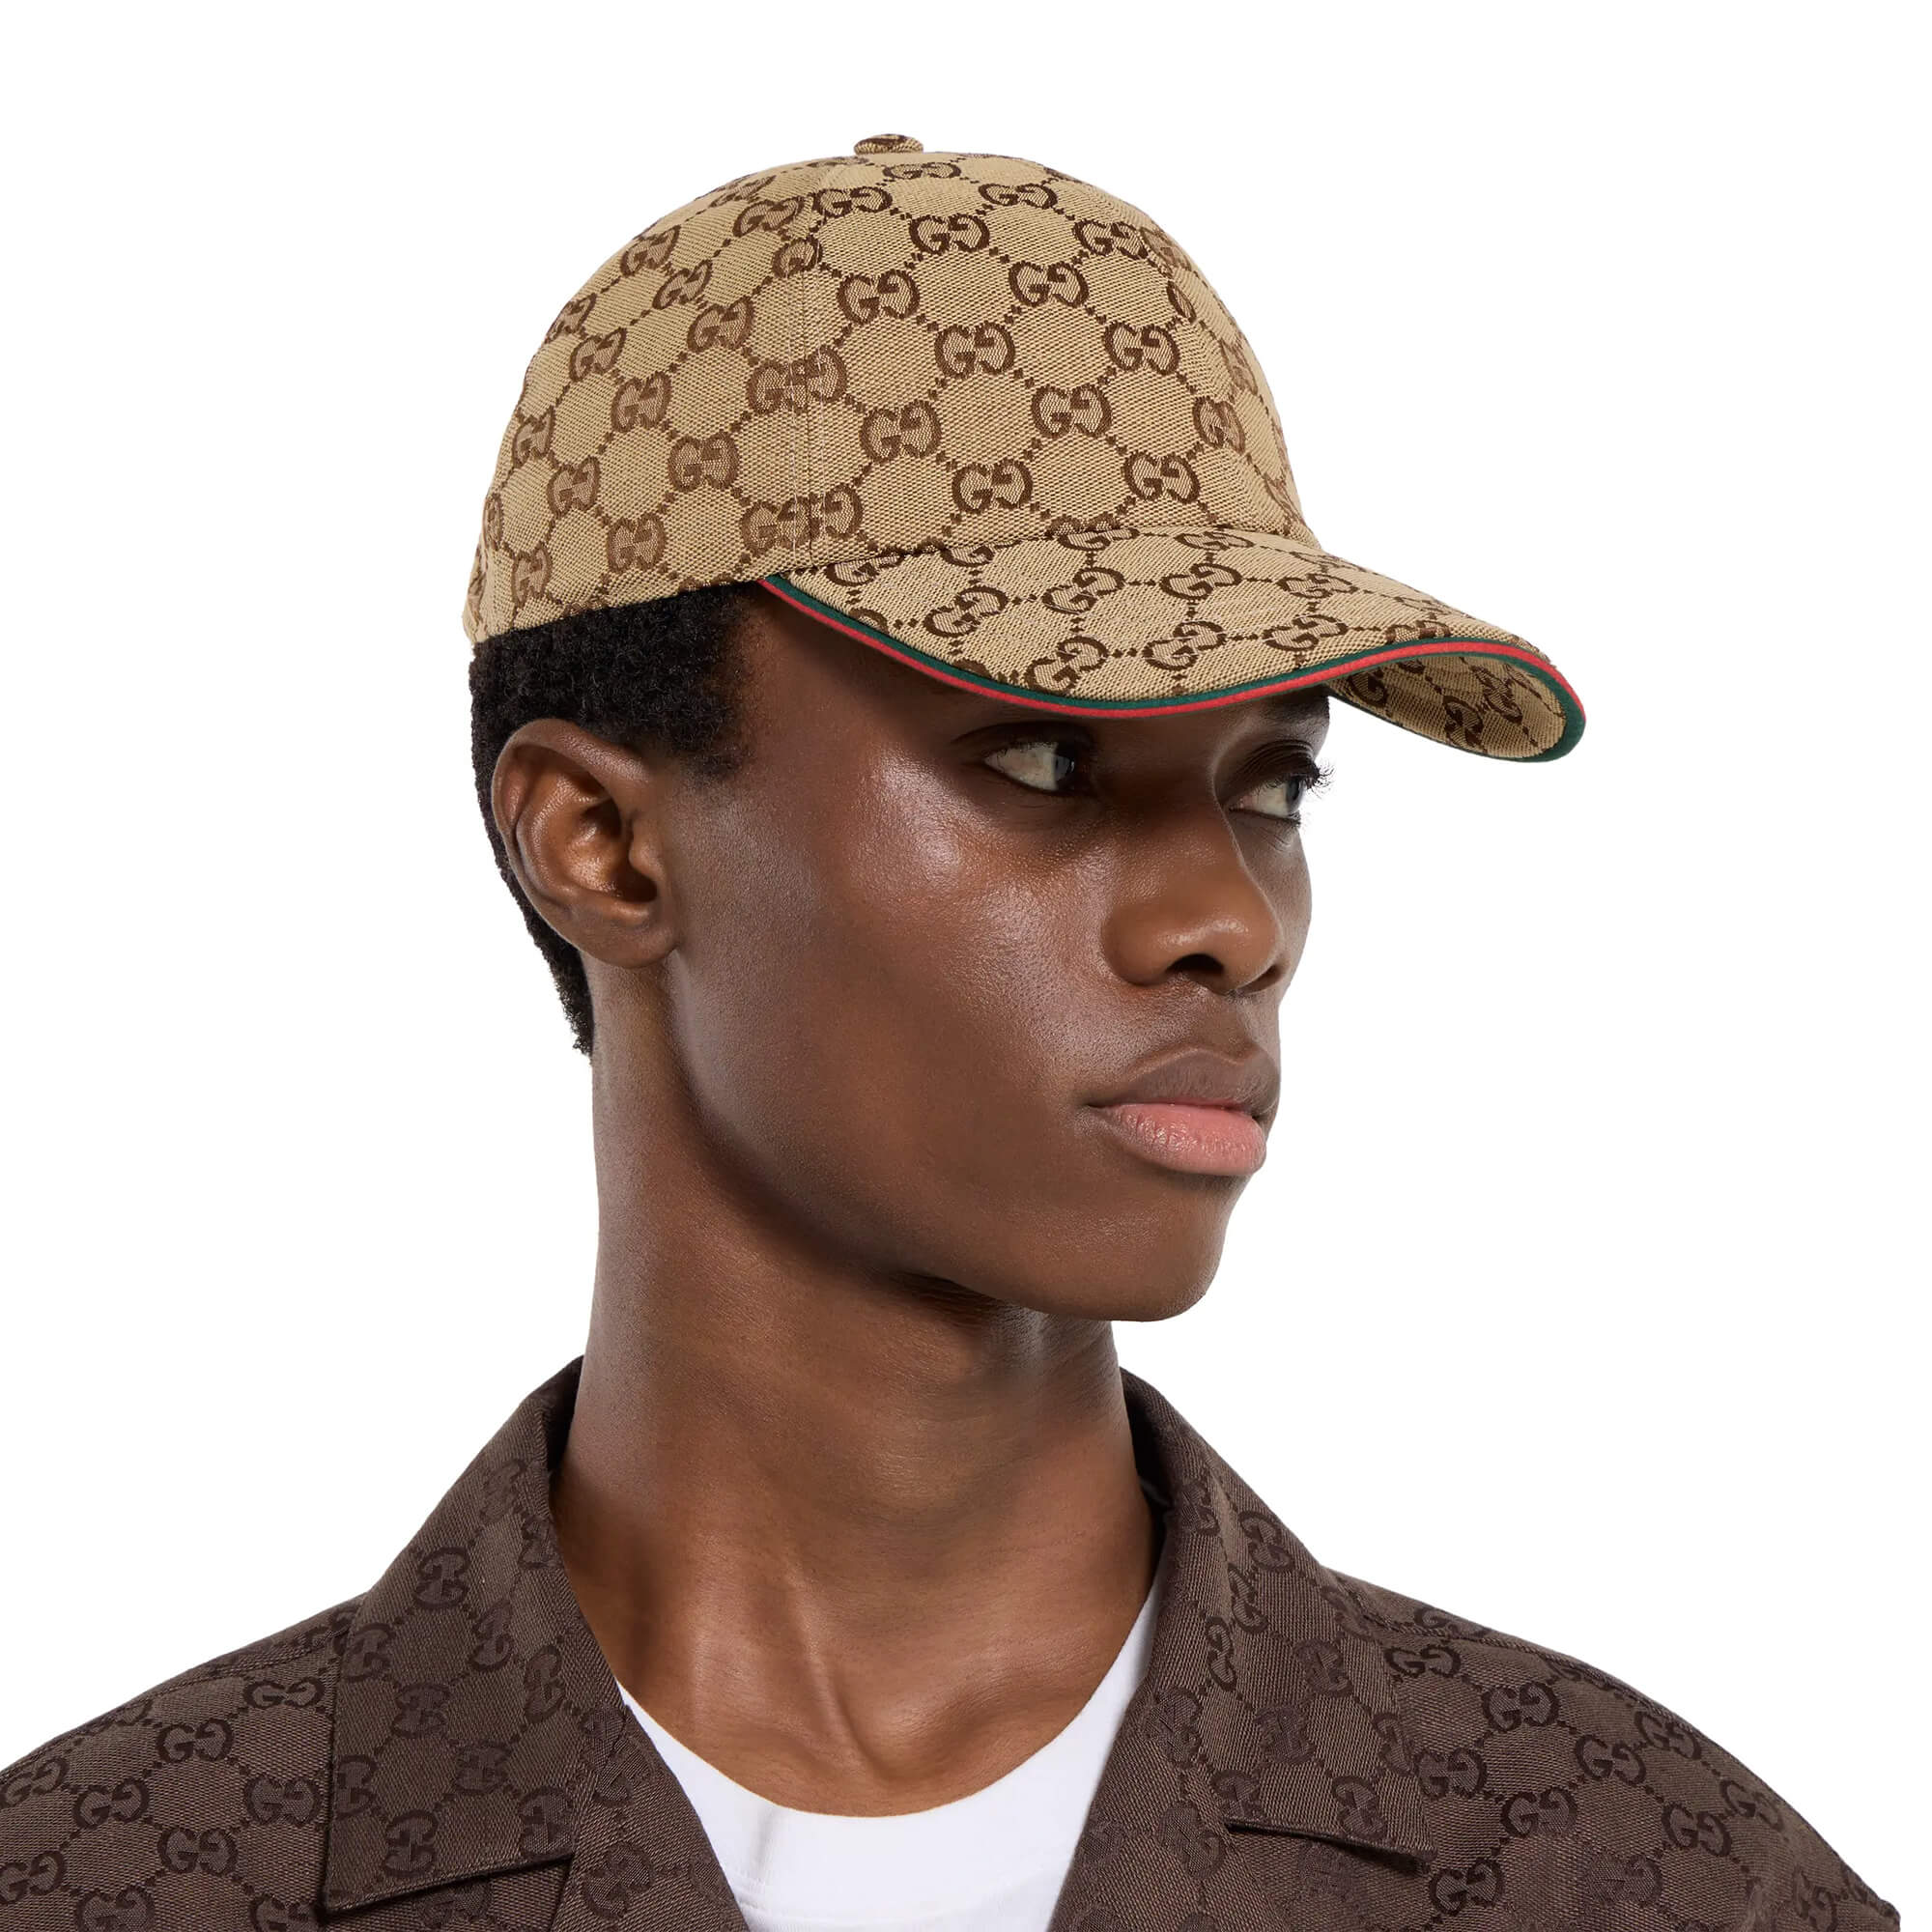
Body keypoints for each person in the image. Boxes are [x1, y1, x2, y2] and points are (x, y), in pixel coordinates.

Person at [0, 133, 1895, 1932]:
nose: (1230, 920)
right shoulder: (115, 1886)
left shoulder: (1640, 1880)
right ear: (601, 844)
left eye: (1273, 784)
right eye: (1044, 761)